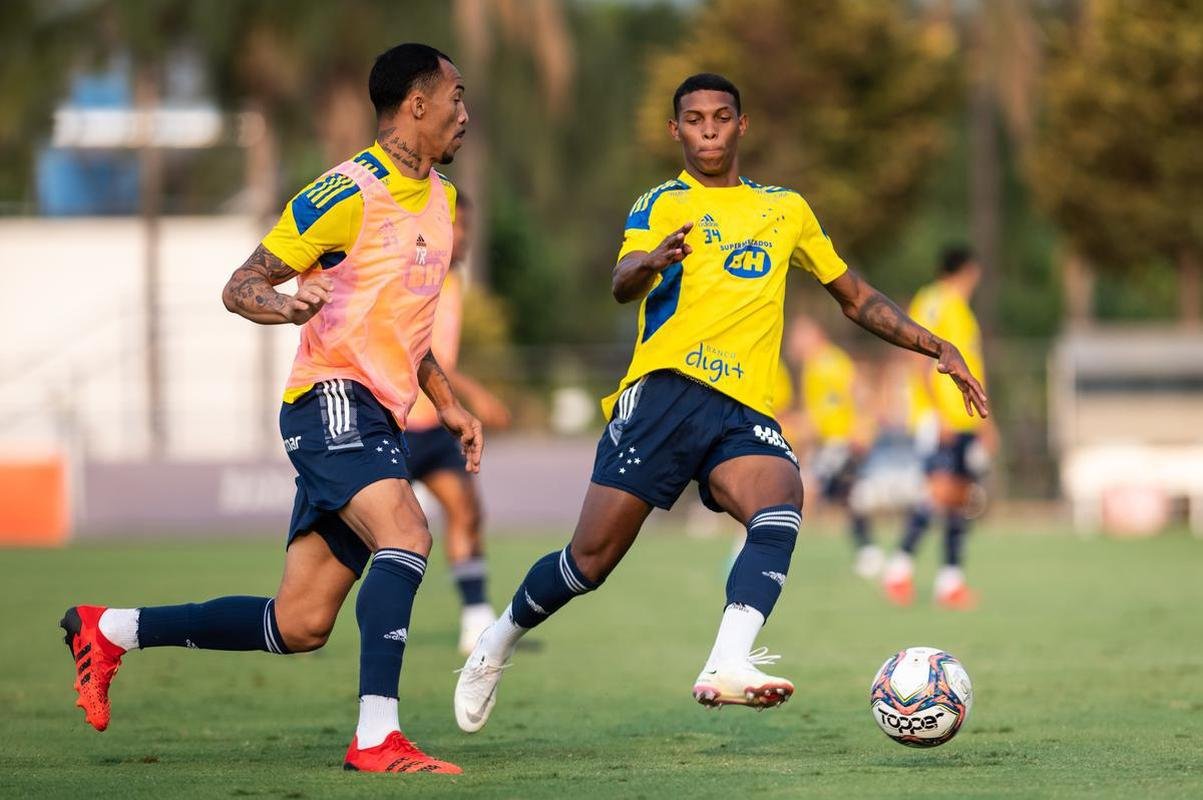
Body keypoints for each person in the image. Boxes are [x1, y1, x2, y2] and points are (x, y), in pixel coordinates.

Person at [453, 73, 988, 733]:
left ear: (741, 126)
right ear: (676, 130)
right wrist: (649, 259)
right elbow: (622, 283)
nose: (708, 129)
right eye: (694, 119)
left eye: (720, 117)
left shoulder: (785, 209)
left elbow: (854, 297)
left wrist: (936, 346)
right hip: (664, 396)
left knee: (781, 498)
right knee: (588, 562)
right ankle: (495, 640)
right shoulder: (658, 203)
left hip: (742, 409)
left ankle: (727, 660)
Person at [60, 43, 481, 775]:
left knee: (300, 623)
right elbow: (241, 282)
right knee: (408, 532)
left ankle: (110, 630)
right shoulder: (345, 191)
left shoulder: (443, 204)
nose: (464, 114)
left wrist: (448, 403)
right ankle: (377, 737)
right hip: (329, 400)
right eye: (455, 98)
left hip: (377, 413)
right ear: (416, 104)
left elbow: (407, 330)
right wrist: (288, 306)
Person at [403, 192, 511, 654]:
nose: (463, 237)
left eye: (467, 227)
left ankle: (476, 620)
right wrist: (475, 393)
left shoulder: (453, 282)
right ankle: (302, 614)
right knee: (368, 533)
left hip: (433, 428)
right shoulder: (415, 277)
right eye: (456, 227)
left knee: (466, 510)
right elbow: (423, 355)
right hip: (396, 424)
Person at [882, 245, 995, 610]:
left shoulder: (963, 311)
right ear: (968, 271)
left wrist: (984, 421)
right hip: (940, 419)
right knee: (938, 494)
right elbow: (918, 357)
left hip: (964, 420)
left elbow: (973, 367)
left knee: (959, 500)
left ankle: (950, 582)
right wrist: (936, 411)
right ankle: (898, 569)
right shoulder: (934, 300)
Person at [787, 315, 883, 578]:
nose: (793, 343)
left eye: (799, 336)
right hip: (831, 442)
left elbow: (858, 391)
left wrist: (863, 426)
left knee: (805, 489)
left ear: (815, 334)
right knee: (846, 495)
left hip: (840, 441)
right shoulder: (813, 365)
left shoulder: (828, 361)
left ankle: (767, 553)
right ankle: (869, 551)